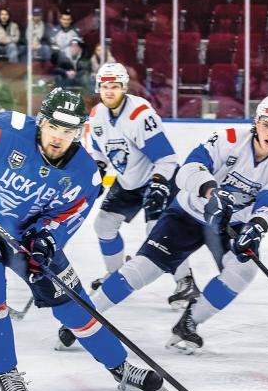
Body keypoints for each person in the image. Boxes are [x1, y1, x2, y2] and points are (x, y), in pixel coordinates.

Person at [0, 88, 165, 391]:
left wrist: (47, 241)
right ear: (41, 121)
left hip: (26, 237)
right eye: (54, 127)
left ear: (79, 130)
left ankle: (120, 366)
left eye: (68, 131)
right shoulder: (9, 131)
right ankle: (7, 374)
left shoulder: (86, 174)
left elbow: (67, 218)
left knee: (74, 305)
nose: (59, 137)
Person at [86, 96, 268, 354]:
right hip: (188, 213)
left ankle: (189, 322)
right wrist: (212, 192)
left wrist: (256, 228)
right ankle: (86, 315)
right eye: (266, 124)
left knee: (244, 270)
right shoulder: (229, 137)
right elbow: (189, 168)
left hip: (229, 225)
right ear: (256, 122)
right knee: (145, 269)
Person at [76, 63, 192, 311]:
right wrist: (96, 170)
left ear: (124, 87)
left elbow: (167, 159)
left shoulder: (140, 114)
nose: (109, 91)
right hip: (128, 179)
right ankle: (115, 273)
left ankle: (186, 282)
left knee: (159, 231)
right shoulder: (96, 115)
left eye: (115, 86)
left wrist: (159, 186)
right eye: (105, 86)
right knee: (103, 224)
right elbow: (100, 151)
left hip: (157, 176)